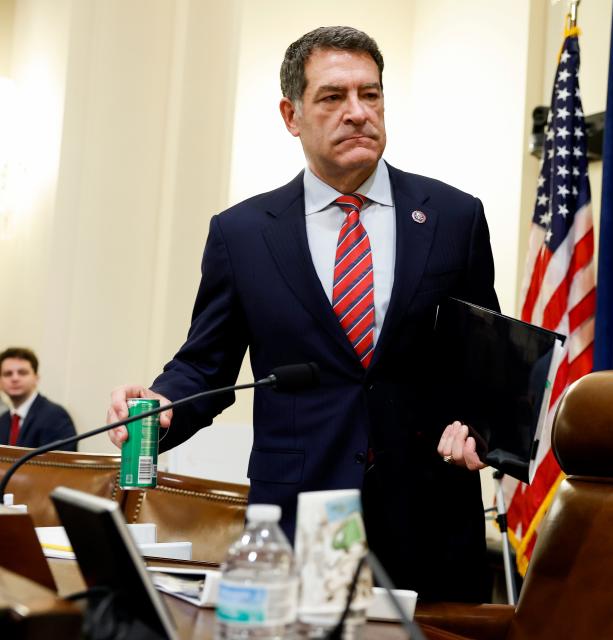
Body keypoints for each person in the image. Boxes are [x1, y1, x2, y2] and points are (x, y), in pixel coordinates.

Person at [107, 26, 495, 602]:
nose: (358, 113)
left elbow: (484, 364)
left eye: (371, 94)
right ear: (292, 115)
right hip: (296, 518)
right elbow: (206, 366)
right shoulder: (242, 235)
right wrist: (166, 405)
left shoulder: (454, 217)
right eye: (333, 97)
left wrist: (482, 429)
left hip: (427, 516)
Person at [0, 347, 77, 450]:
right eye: (8, 374)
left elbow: (58, 463)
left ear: (36, 378)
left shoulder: (56, 416)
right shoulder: (3, 420)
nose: (15, 378)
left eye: (22, 372)